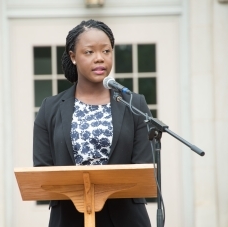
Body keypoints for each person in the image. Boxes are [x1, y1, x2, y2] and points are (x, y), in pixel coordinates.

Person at [33, 19, 153, 227]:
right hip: (70, 218)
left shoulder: (134, 104)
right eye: (89, 52)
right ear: (73, 57)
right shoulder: (50, 108)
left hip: (126, 218)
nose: (100, 58)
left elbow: (142, 167)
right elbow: (44, 170)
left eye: (106, 51)